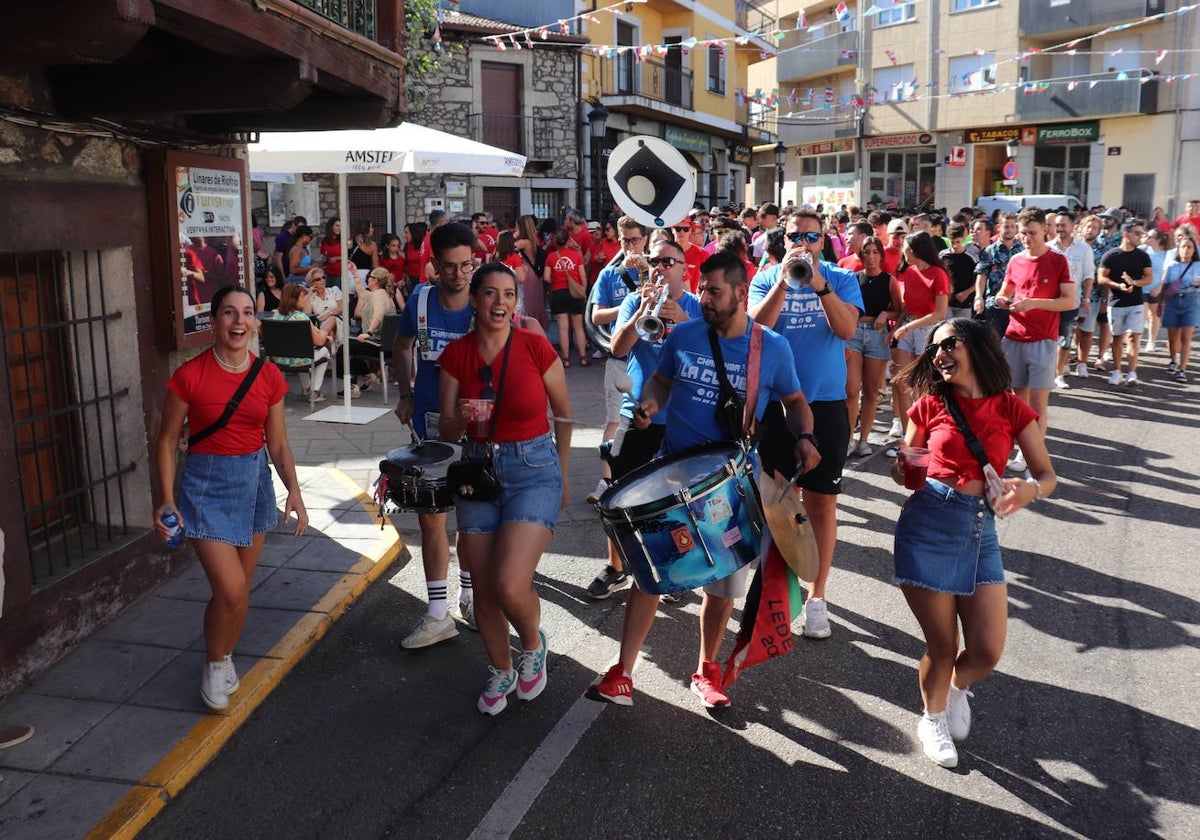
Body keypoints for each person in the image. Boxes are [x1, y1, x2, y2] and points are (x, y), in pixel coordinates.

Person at [586, 250, 819, 709]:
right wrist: (650, 405)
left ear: (737, 291)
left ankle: (706, 669)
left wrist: (805, 436)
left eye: (714, 292)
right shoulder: (686, 334)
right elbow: (660, 381)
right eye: (702, 290)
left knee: (723, 583)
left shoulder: (770, 346)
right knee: (650, 572)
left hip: (729, 481)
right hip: (672, 471)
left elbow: (794, 400)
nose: (704, 299)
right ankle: (623, 670)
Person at [890, 317, 1056, 768]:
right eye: (935, 347)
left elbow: (1047, 474)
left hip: (982, 531)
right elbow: (908, 472)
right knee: (942, 645)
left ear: (978, 348)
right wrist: (904, 465)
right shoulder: (928, 406)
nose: (939, 353)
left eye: (950, 344)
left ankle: (955, 689)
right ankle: (933, 717)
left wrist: (1028, 490)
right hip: (929, 524)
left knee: (986, 650)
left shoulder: (1011, 408)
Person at [155, 286, 308, 711]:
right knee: (231, 590)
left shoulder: (269, 376)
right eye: (228, 313)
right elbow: (167, 442)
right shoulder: (189, 376)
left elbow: (277, 444)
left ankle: (222, 659)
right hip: (205, 487)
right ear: (214, 322)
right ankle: (214, 662)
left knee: (240, 593)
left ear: (255, 323)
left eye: (246, 313)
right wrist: (167, 500)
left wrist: (293, 490)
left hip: (255, 483)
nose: (238, 322)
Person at [438, 262, 572, 715]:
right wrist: (462, 417)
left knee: (511, 583)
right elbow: (446, 426)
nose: (500, 302)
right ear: (475, 300)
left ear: (517, 301)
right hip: (477, 469)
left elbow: (565, 414)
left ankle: (532, 645)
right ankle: (501, 668)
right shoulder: (456, 354)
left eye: (509, 294)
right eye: (491, 294)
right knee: (483, 590)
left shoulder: (535, 346)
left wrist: (565, 471)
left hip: (533, 467)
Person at [748, 209, 863, 639]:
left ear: (824, 238)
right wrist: (782, 280)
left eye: (811, 235)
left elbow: (847, 328)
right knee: (780, 502)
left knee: (822, 503)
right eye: (794, 235)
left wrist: (821, 286)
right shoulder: (767, 276)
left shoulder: (841, 276)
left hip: (827, 402)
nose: (803, 241)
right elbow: (755, 328)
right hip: (778, 405)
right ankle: (784, 590)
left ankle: (818, 596)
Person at [394, 222, 479, 648]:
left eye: (466, 265)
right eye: (450, 267)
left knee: (471, 516)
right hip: (428, 424)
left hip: (475, 428)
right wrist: (405, 392)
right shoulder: (420, 300)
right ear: (435, 266)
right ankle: (436, 611)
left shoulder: (485, 303)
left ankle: (469, 595)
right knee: (432, 519)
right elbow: (402, 344)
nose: (460, 274)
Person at [584, 216, 648, 597]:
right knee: (615, 426)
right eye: (624, 239)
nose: (629, 246)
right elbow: (595, 316)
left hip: (652, 364)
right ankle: (607, 477)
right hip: (620, 358)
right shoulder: (610, 274)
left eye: (635, 239)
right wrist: (627, 305)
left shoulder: (658, 269)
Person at [992, 207, 1074, 472]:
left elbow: (1069, 301)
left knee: (1038, 405)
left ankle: (1034, 459)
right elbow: (1005, 291)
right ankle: (1022, 451)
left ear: (1044, 231)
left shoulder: (1058, 260)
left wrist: (1033, 303)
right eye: (1023, 232)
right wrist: (1001, 299)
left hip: (1043, 340)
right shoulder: (1016, 260)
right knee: (1019, 403)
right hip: (1014, 337)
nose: (1027, 238)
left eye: (1032, 233)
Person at [886, 231, 951, 456]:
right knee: (902, 383)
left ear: (913, 250)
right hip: (908, 329)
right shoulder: (910, 272)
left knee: (923, 386)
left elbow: (940, 312)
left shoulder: (938, 274)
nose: (902, 250)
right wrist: (896, 328)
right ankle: (907, 438)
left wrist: (908, 327)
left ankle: (926, 438)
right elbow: (907, 306)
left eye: (905, 247)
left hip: (928, 331)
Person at [845, 237, 901, 457]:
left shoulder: (889, 280)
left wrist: (887, 314)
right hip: (855, 333)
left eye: (874, 252)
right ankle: (849, 438)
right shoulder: (853, 278)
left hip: (878, 335)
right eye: (866, 252)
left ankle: (864, 440)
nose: (870, 256)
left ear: (881, 255)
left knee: (870, 391)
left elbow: (899, 309)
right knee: (851, 390)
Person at [1097, 219, 1153, 386]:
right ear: (1126, 234)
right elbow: (1101, 277)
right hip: (1116, 303)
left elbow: (1149, 277)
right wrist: (1117, 285)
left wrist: (1134, 283)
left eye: (1142, 234)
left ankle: (1132, 372)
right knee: (1117, 338)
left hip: (1136, 303)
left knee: (1133, 337)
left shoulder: (1143, 255)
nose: (1140, 237)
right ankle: (1116, 371)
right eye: (1137, 233)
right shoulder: (1111, 255)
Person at [1047, 211, 1095, 387]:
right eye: (1057, 225)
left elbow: (1088, 275)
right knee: (1048, 339)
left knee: (1066, 339)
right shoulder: (1048, 247)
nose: (1059, 228)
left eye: (1063, 225)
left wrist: (1087, 298)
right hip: (1049, 303)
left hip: (1071, 302)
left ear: (1073, 226)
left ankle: (1059, 375)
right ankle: (1049, 372)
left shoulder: (1084, 249)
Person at [271, 281, 332, 402]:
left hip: (279, 358)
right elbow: (319, 342)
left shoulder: (275, 314)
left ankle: (306, 388)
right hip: (299, 359)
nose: (305, 299)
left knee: (300, 351)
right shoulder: (301, 317)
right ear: (294, 299)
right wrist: (325, 333)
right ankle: (314, 391)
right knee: (325, 351)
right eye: (302, 297)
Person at [972, 212, 1023, 339]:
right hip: (995, 305)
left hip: (1018, 304)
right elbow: (982, 275)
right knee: (994, 343)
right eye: (1006, 226)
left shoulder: (1023, 250)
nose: (1009, 230)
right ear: (999, 227)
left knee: (1016, 344)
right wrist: (978, 297)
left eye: (1012, 226)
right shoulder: (990, 251)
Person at [544, 228, 589, 367]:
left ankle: (566, 360)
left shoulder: (551, 257)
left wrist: (557, 280)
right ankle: (582, 357)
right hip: (575, 293)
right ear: (567, 240)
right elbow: (582, 276)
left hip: (558, 293)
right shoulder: (576, 256)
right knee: (578, 327)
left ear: (555, 241)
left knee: (563, 328)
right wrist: (583, 290)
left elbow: (546, 278)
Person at [1159, 234, 1200, 381]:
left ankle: (1182, 370)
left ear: (1194, 250)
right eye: (1183, 246)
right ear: (1178, 249)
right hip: (1173, 302)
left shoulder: (1198, 265)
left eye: (1190, 247)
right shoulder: (1172, 266)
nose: (1186, 250)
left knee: (1186, 337)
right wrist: (1160, 303)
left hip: (1192, 301)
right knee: (1172, 337)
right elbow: (1165, 286)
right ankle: (1173, 360)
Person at [319, 217, 344, 287]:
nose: (339, 228)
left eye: (341, 226)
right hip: (327, 273)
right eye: (337, 226)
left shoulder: (343, 240)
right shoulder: (325, 240)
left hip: (339, 274)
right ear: (331, 227)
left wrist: (337, 258)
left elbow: (349, 256)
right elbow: (322, 254)